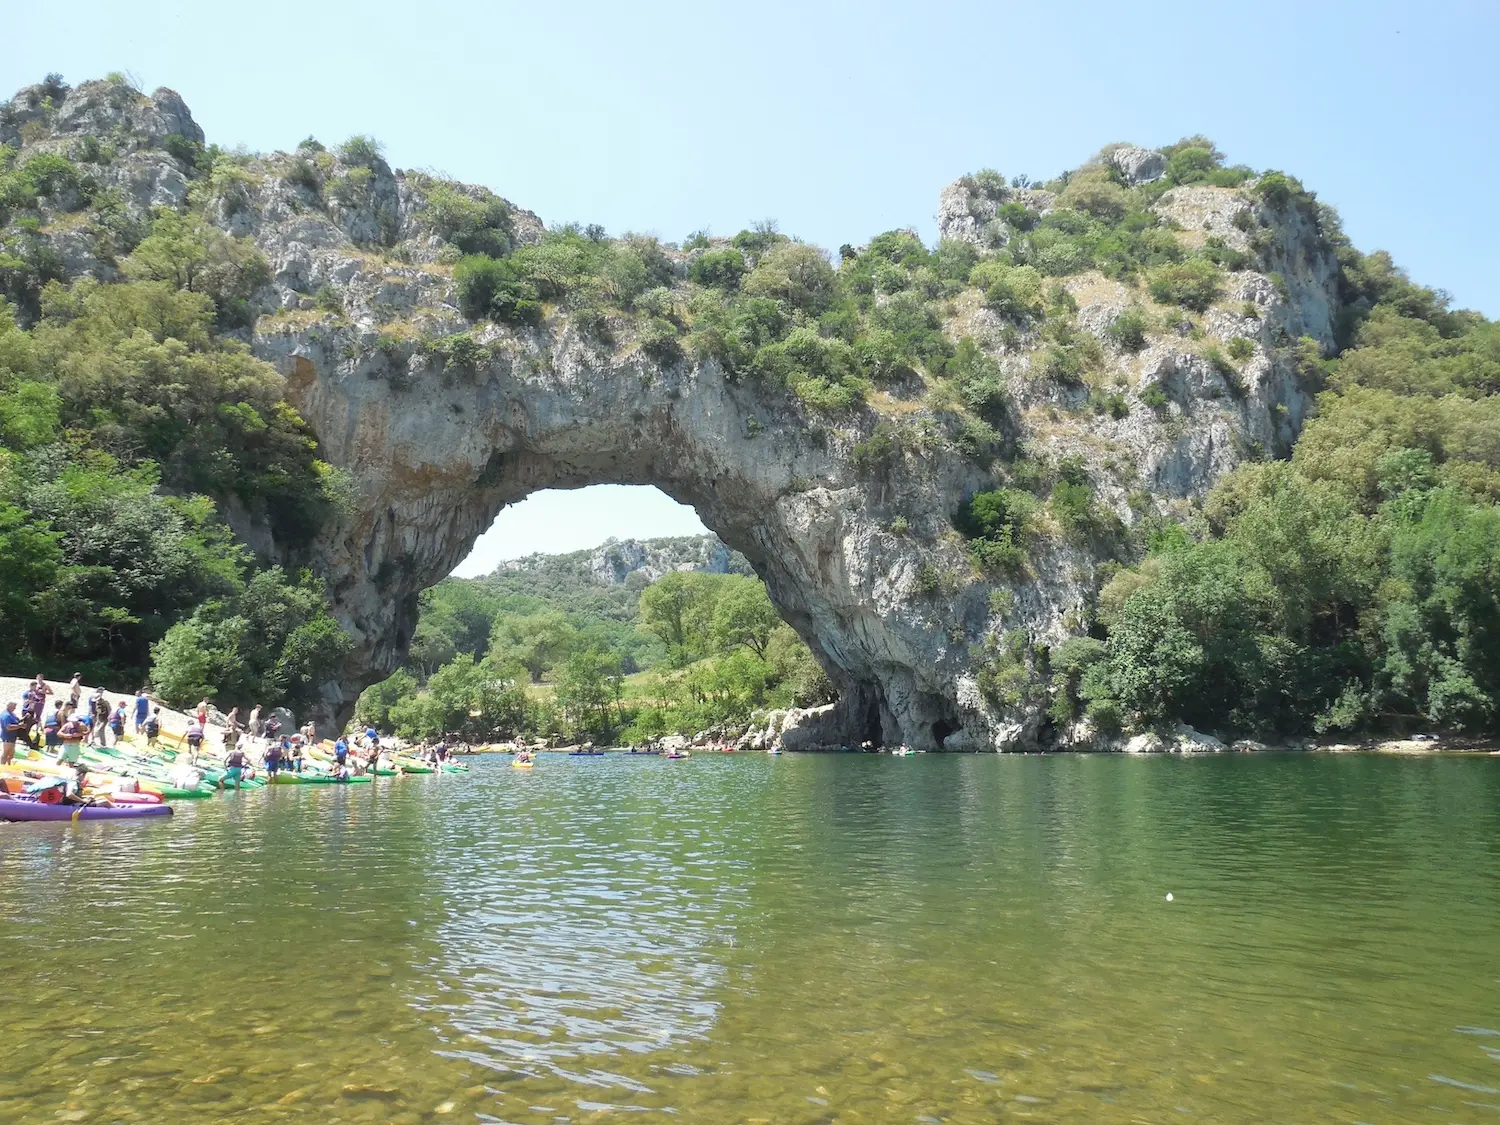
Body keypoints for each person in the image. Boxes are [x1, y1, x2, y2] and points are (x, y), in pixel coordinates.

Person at [0, 702, 21, 766]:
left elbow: (16, 721)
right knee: (6, 753)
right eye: (14, 707)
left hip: (12, 737)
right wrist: (20, 726)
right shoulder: (6, 715)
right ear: (9, 706)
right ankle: (2, 766)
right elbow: (8, 727)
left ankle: (9, 766)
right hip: (7, 737)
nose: (15, 708)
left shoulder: (11, 714)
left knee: (11, 754)